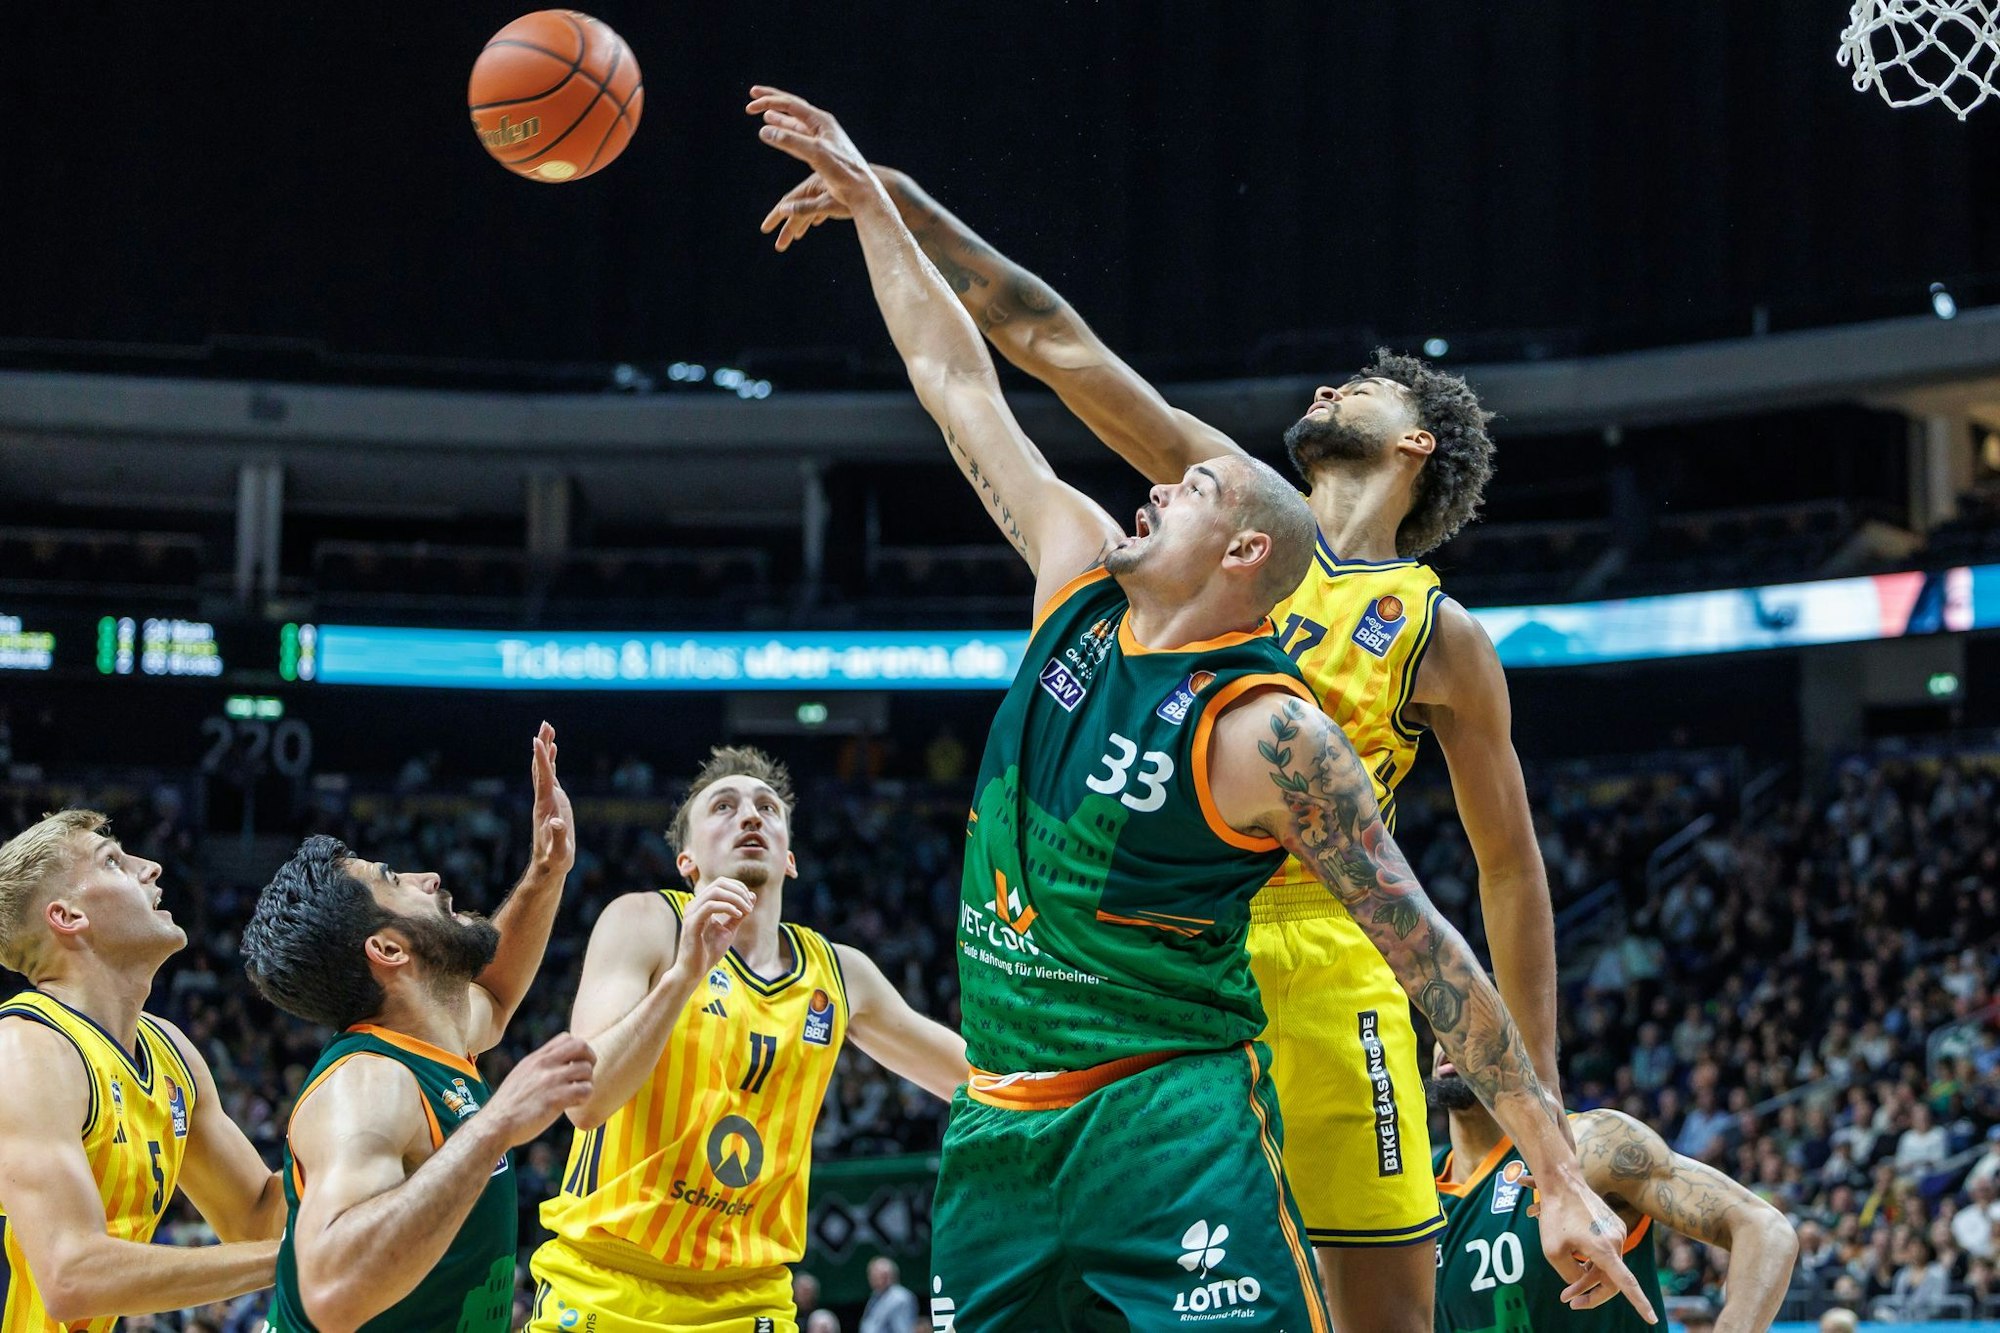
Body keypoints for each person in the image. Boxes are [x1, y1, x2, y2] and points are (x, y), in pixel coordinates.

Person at [749, 86, 1650, 1331]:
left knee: (1372, 1298)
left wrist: (1536, 1111)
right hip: (1141, 979)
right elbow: (1022, 345)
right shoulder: (1172, 518)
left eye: (1366, 390)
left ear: (1415, 451)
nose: (1164, 484)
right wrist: (889, 205)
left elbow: (1497, 878)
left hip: (1324, 941)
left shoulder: (1422, 631)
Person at [528, 746, 968, 1333]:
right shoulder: (643, 922)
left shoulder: (840, 974)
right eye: (725, 806)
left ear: (790, 859)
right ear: (687, 859)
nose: (751, 816)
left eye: (767, 807)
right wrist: (685, 975)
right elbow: (585, 1101)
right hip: (609, 1284)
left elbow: (977, 1082)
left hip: (751, 1299)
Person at [241, 722, 595, 1331]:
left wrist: (546, 869)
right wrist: (497, 1126)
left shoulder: (436, 1039)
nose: (427, 878)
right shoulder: (369, 1085)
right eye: (392, 880)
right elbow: (330, 1291)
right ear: (388, 950)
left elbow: (495, 994)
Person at [0, 810, 287, 1329]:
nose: (151, 867)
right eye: (112, 861)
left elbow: (258, 1220)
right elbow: (72, 1279)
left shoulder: (169, 1050)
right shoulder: (25, 1050)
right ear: (67, 917)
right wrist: (294, 1258)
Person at [1427, 1042, 1794, 1330]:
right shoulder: (1415, 1189)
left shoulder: (1592, 1145)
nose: (1451, 1036)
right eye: (1441, 1019)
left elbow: (1764, 1230)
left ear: (1525, 1040)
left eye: (1474, 1022)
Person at [858, 1256, 918, 1333]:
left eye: (874, 1275)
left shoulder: (900, 1298)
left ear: (886, 1276)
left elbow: (902, 1329)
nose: (870, 1278)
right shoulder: (876, 1295)